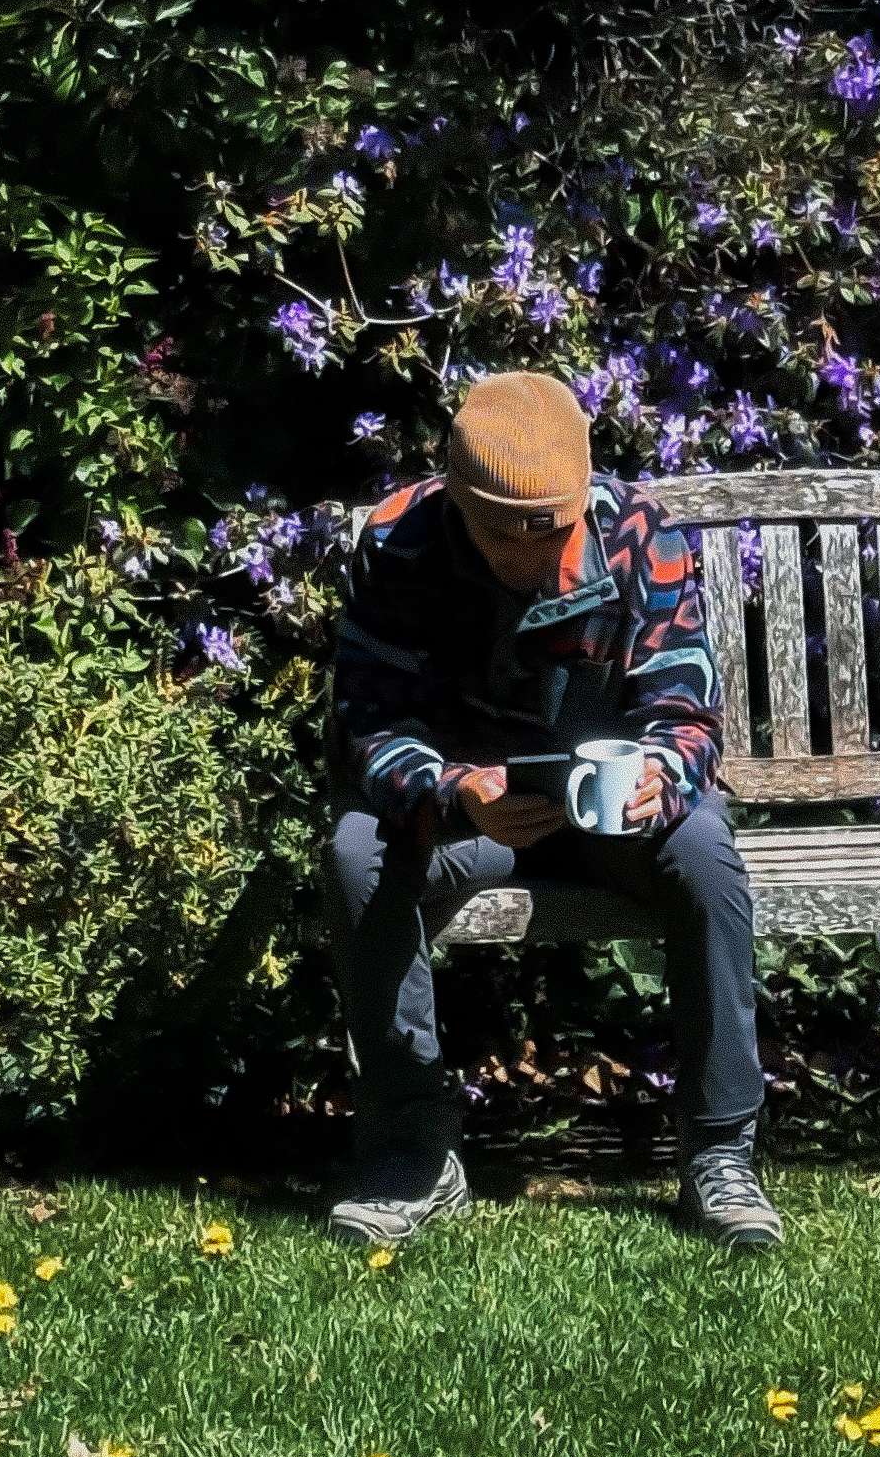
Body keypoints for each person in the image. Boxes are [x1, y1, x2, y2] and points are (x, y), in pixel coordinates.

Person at [323, 369, 781, 1250]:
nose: (547, 556)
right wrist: (454, 788)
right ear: (459, 506)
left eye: (559, 530)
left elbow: (687, 706)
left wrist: (663, 773)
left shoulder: (640, 534)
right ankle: (412, 1152)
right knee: (355, 854)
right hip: (472, 819)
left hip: (613, 821)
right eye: (515, 538)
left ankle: (720, 1155)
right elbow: (369, 723)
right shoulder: (398, 543)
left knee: (707, 855)